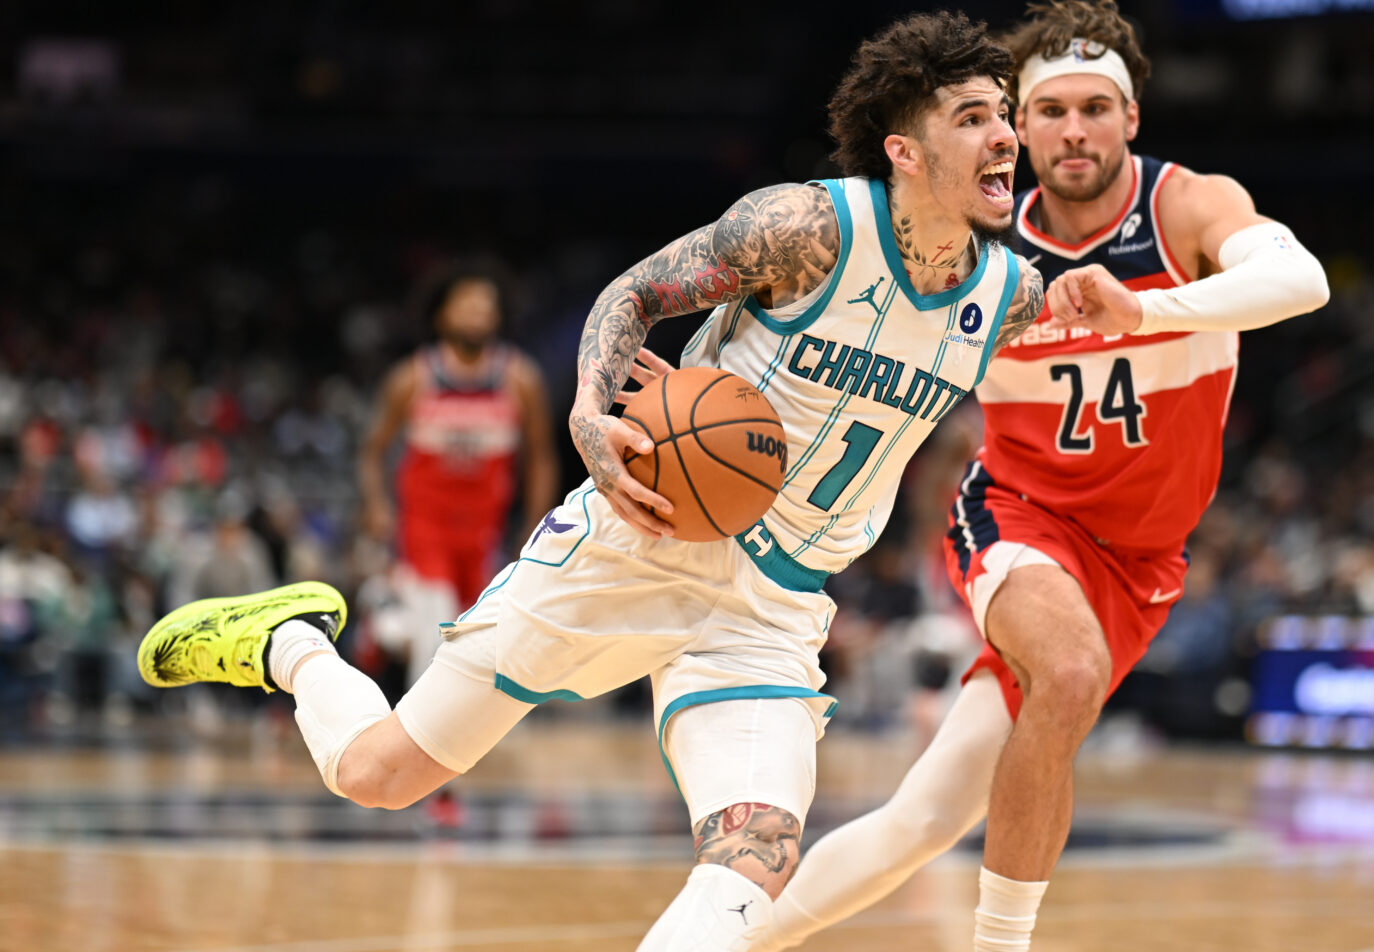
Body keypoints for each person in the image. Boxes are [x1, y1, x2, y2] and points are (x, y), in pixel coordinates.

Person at [132, 13, 1145, 951]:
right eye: (976, 118)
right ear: (905, 150)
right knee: (381, 773)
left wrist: (1120, 302)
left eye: (1007, 116)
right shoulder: (806, 230)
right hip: (641, 536)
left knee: (755, 851)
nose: (1007, 136)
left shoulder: (1010, 292)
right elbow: (639, 292)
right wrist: (588, 409)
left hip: (773, 603)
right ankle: (291, 646)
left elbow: (1121, 317)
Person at [754, 3, 1330, 950]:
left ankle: (730, 939)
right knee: (1066, 669)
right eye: (1050, 110)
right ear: (1018, 125)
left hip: (1140, 564)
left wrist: (1140, 313)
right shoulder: (984, 239)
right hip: (1017, 516)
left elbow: (1300, 280)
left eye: (1095, 109)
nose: (1073, 131)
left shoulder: (1186, 207)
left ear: (1131, 117)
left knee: (923, 819)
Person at [358, 261, 560, 684]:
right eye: (467, 304)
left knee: (480, 631)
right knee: (436, 621)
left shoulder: (519, 378)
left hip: (485, 528)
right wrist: (377, 505)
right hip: (425, 525)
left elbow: (541, 456)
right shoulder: (412, 377)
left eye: (486, 307)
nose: (477, 313)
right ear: (442, 314)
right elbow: (372, 451)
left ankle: (387, 633)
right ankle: (421, 729)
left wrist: (537, 522)